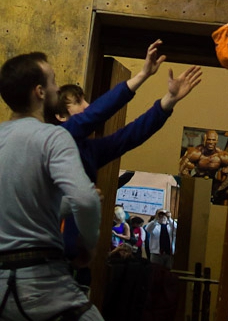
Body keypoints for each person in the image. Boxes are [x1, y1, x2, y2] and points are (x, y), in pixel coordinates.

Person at [56, 41, 202, 263]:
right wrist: (142, 75)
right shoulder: (56, 140)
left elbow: (129, 136)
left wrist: (169, 101)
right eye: (78, 102)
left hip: (73, 258)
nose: (87, 105)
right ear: (60, 116)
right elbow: (97, 113)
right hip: (46, 255)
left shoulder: (87, 149)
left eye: (86, 100)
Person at [0, 52, 103, 321]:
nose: (57, 88)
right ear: (40, 92)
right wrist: (88, 245)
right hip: (41, 281)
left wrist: (64, 204)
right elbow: (85, 200)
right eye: (53, 81)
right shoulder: (53, 137)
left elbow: (21, 202)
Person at [179, 130, 228, 205]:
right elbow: (182, 169)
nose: (211, 142)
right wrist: (191, 184)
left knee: (225, 193)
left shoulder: (222, 156)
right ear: (205, 140)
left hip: (213, 181)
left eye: (213, 140)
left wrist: (218, 190)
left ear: (216, 141)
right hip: (197, 178)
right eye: (209, 139)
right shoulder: (196, 153)